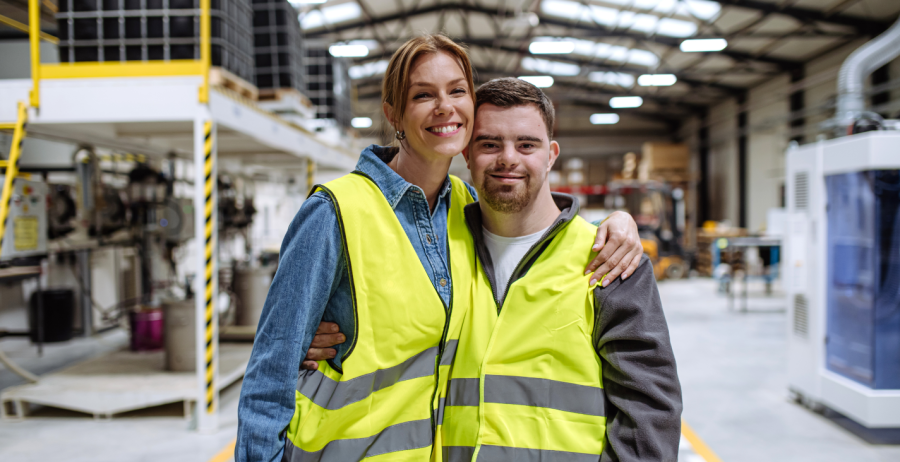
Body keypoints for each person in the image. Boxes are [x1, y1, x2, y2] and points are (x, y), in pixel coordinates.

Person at [235, 35, 644, 462]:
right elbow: (271, 373)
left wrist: (617, 223)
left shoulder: (468, 207)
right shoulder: (334, 212)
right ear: (394, 113)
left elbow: (532, 213)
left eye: (457, 91)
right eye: (423, 95)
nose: (444, 106)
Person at [436, 77, 682, 462]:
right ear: (466, 154)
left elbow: (649, 413)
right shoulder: (440, 248)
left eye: (526, 144)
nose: (507, 158)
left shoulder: (609, 259)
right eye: (489, 144)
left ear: (551, 155)